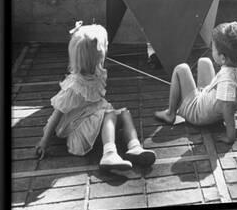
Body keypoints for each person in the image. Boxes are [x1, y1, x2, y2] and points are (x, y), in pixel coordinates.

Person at [35, 21, 156, 170]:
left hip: (91, 115)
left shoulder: (97, 74)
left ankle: (134, 147)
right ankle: (109, 154)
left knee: (125, 113)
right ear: (97, 57)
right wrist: (44, 141)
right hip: (77, 130)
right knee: (110, 114)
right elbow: (57, 114)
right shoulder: (74, 87)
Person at [154, 21, 237, 143]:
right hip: (212, 107)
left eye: (213, 48)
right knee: (205, 61)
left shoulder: (227, 81)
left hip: (197, 114)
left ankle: (170, 113)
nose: (212, 50)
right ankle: (194, 96)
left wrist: (230, 137)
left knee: (181, 68)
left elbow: (228, 109)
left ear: (222, 58)